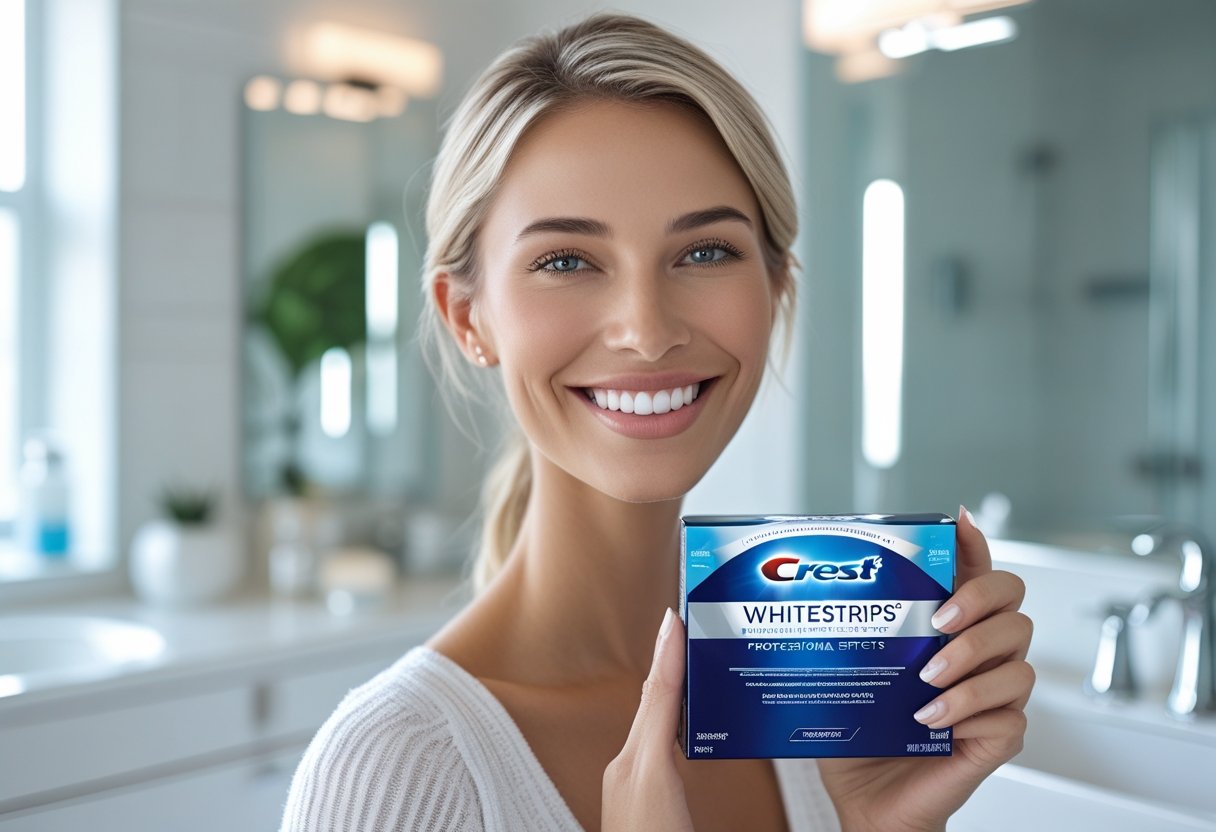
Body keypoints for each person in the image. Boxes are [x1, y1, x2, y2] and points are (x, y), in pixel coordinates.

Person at [279, 12, 1034, 832]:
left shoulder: (826, 699)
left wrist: (884, 827)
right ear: (468, 317)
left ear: (777, 287)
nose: (647, 328)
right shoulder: (395, 770)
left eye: (705, 252)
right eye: (565, 261)